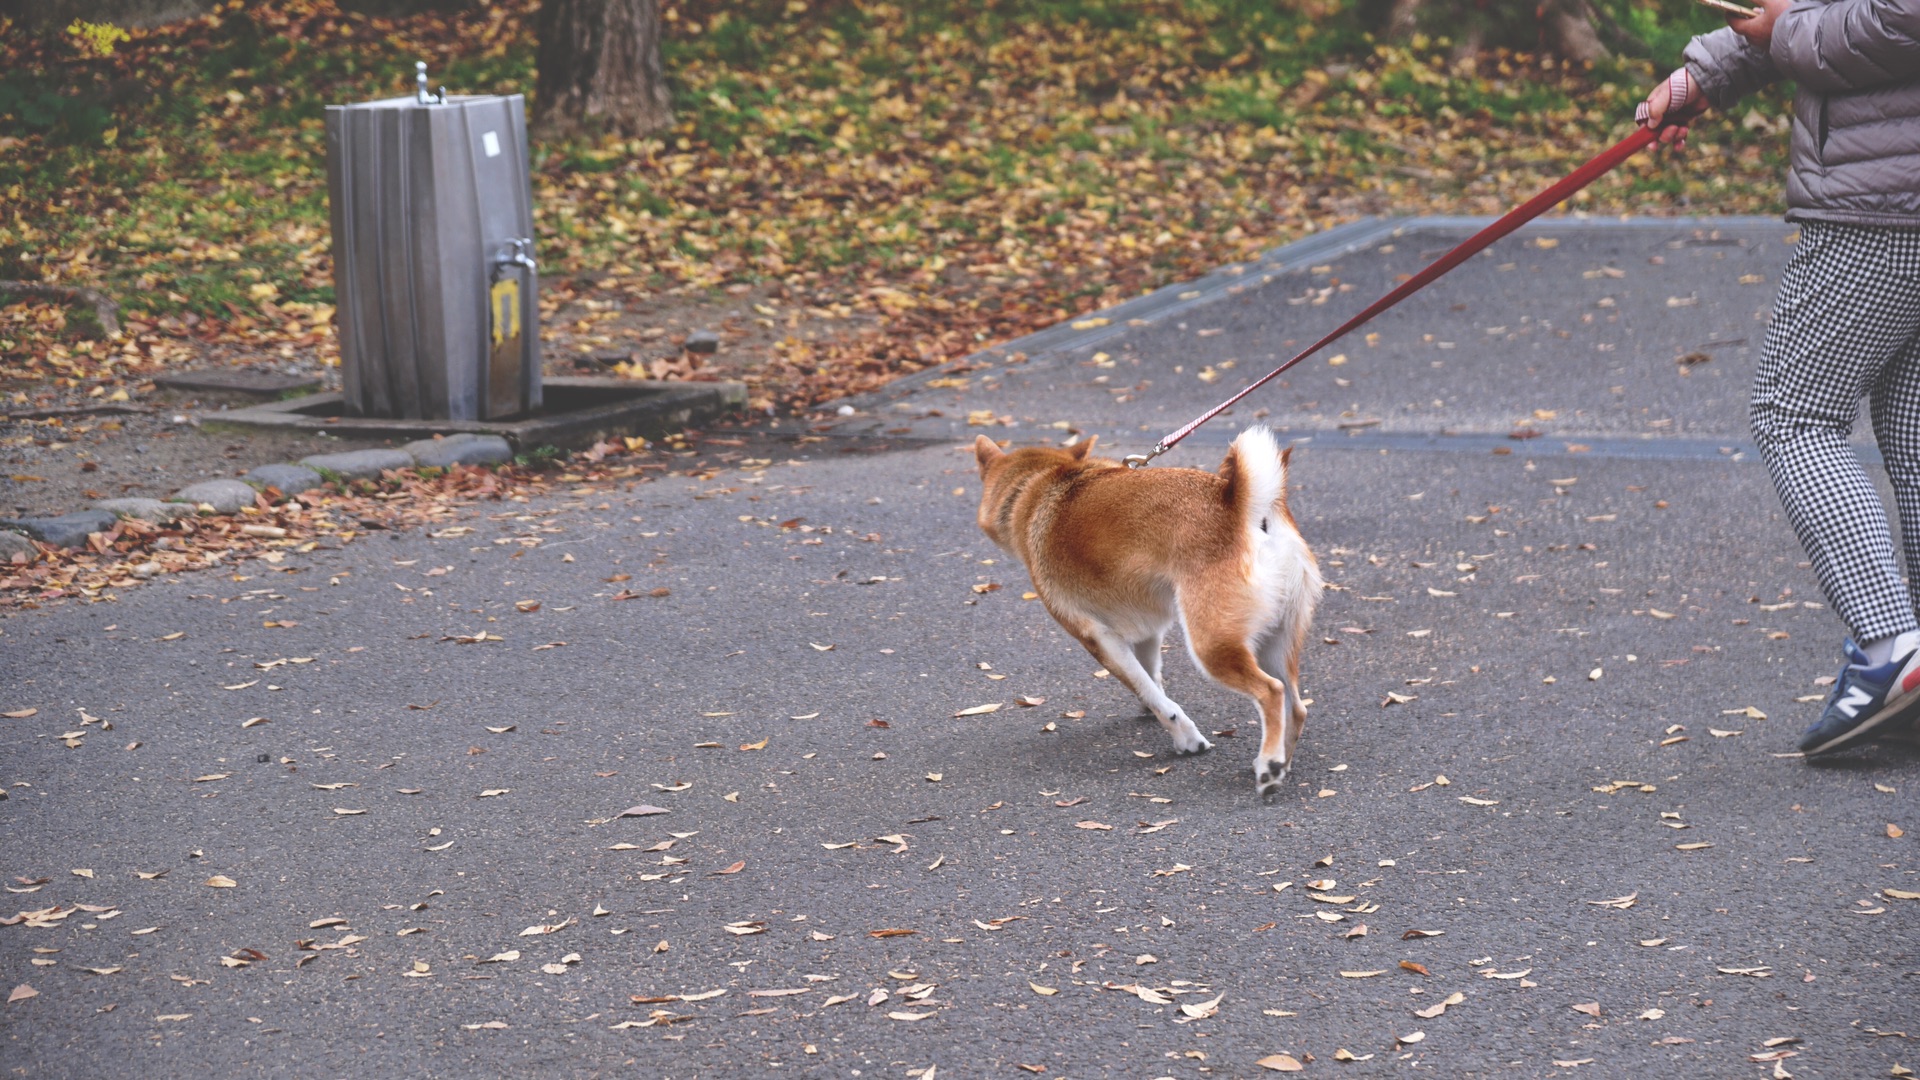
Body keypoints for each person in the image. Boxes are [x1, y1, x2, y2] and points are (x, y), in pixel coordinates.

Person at [1637, 0, 1920, 756]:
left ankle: (1893, 645)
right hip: (1893, 195)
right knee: (1912, 424)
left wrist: (1784, 34)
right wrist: (1706, 74)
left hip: (1881, 205)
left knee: (1794, 415)